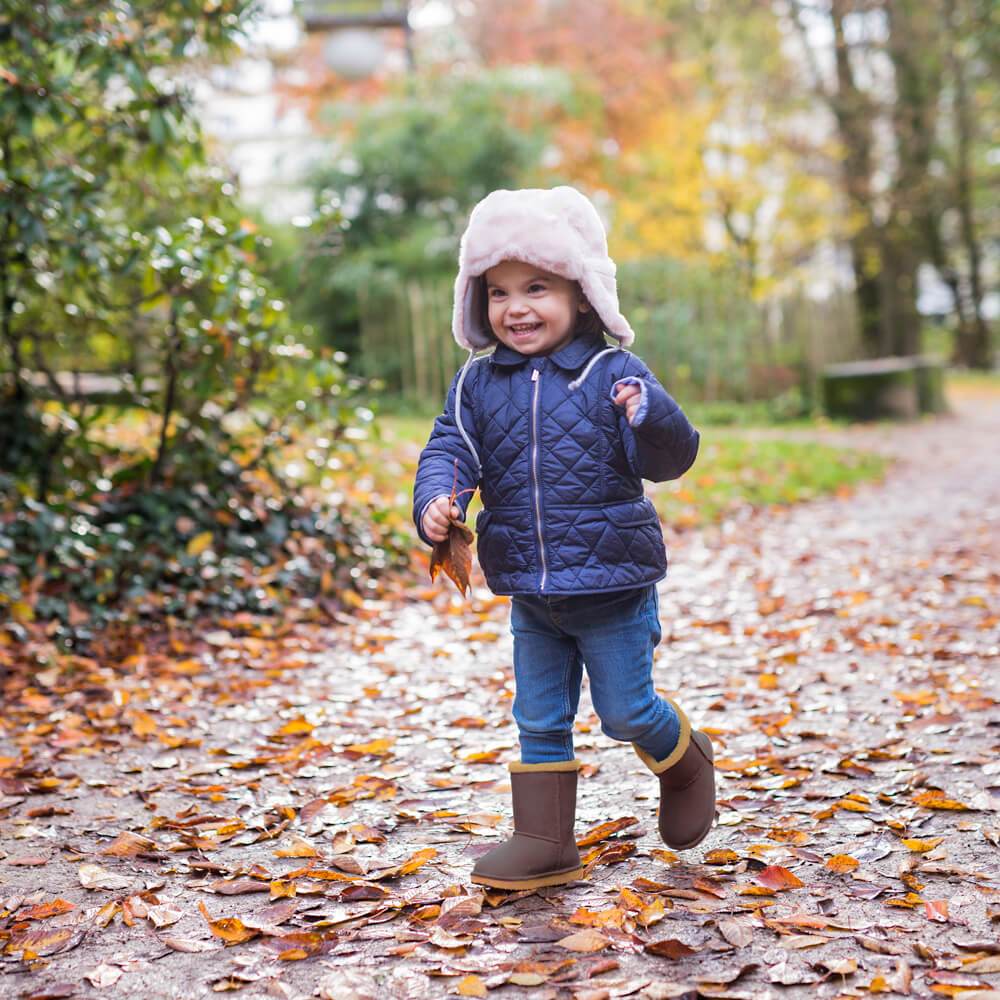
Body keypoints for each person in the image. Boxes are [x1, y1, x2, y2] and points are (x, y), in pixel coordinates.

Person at [413, 186, 715, 891]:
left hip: (612, 583)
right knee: (538, 716)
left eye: (537, 287)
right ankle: (545, 839)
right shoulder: (477, 385)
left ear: (580, 294)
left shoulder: (613, 374)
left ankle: (686, 760)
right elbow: (451, 449)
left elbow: (671, 459)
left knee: (625, 711)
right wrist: (436, 498)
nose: (515, 307)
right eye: (497, 292)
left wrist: (651, 415)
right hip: (530, 588)